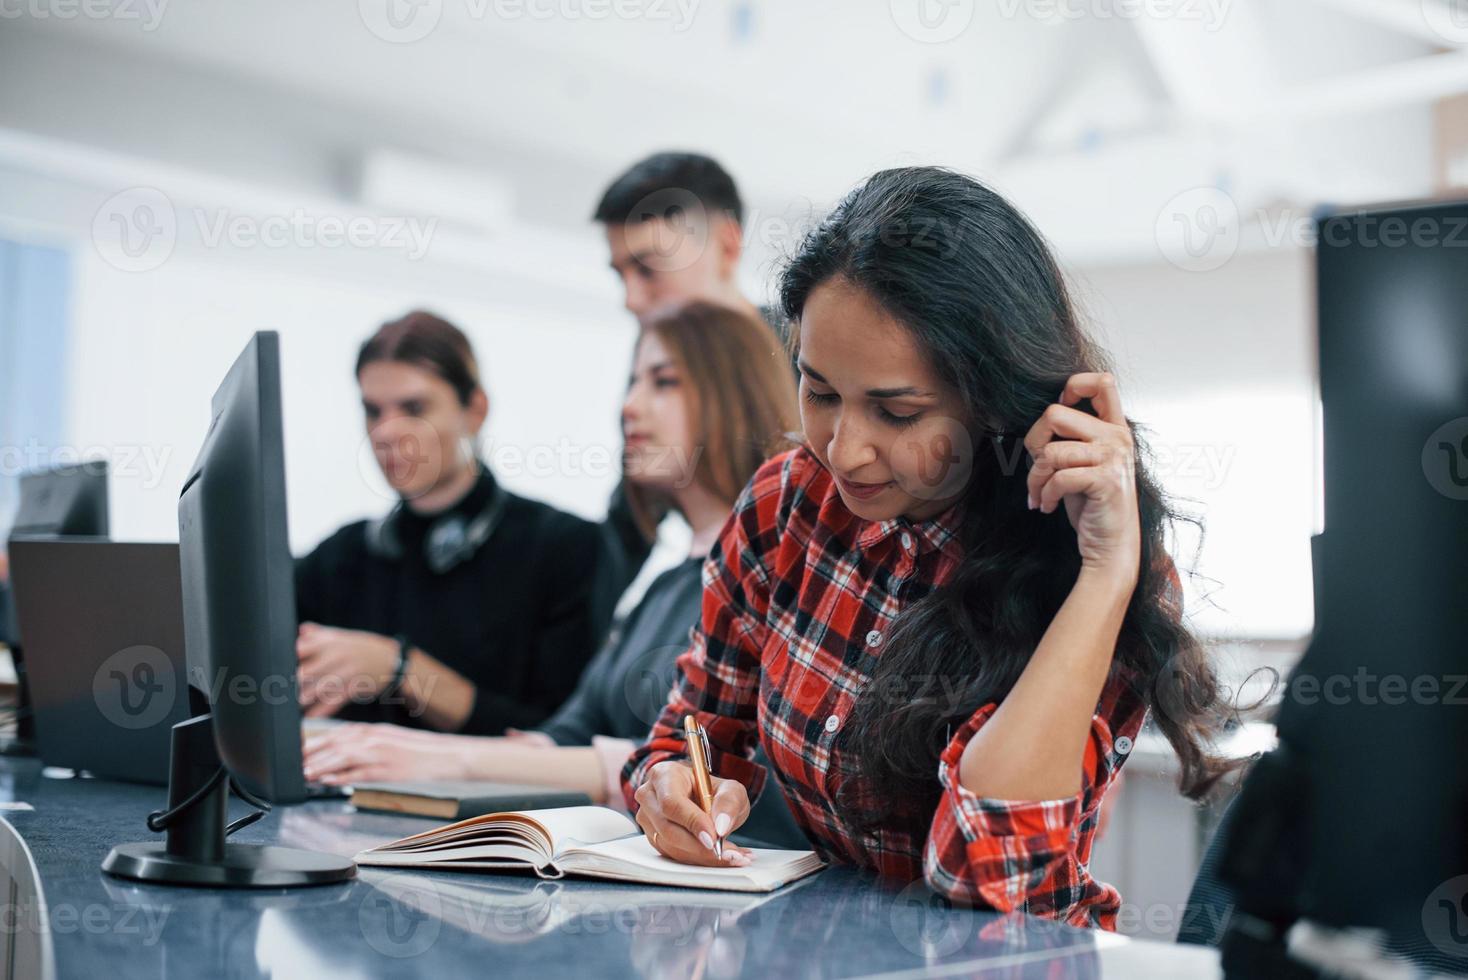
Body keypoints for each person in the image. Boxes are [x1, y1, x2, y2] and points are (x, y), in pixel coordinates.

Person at [622, 167, 1238, 927]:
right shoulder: (787, 503)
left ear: (997, 403)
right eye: (819, 394)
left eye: (897, 412)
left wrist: (1107, 575)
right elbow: (692, 731)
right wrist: (671, 785)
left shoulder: (1082, 568)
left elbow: (984, 875)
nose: (845, 453)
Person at [302, 302, 807, 845]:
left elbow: (729, 777)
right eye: (632, 383)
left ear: (736, 395)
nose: (629, 407)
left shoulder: (783, 573)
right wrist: (404, 753)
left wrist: (433, 752)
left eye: (663, 383)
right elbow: (566, 733)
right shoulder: (662, 588)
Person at [293, 311, 617, 735]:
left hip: (498, 802)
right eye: (373, 411)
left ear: (475, 409)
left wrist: (401, 669)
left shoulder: (564, 547)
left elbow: (564, 736)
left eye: (413, 407)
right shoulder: (339, 557)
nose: (386, 432)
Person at [594, 151, 767, 328]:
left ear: (726, 247)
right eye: (620, 276)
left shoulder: (794, 345)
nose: (631, 302)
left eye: (647, 270)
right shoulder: (650, 352)